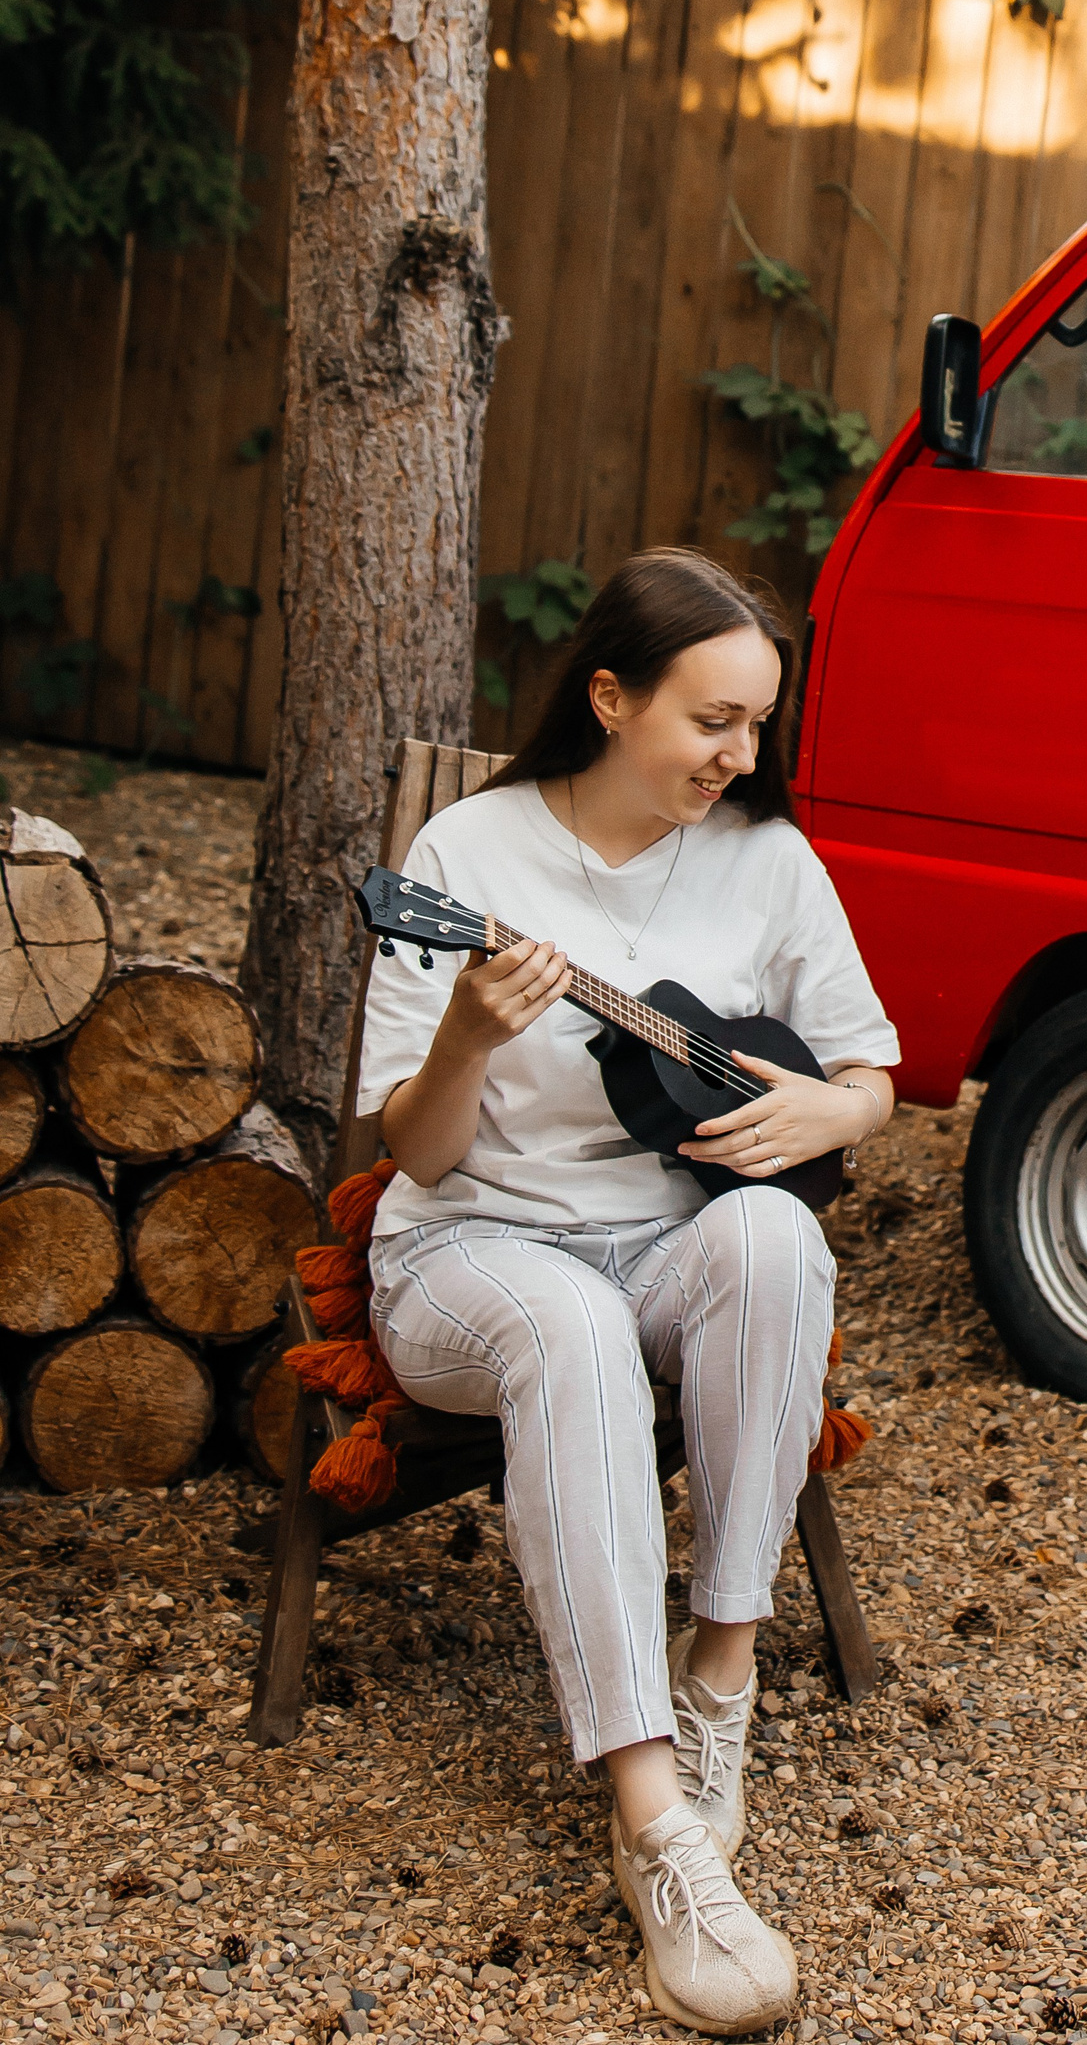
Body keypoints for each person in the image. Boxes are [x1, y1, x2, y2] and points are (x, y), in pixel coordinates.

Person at [356, 547, 900, 2036]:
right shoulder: (467, 857)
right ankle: (659, 1827)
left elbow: (874, 1076)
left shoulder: (765, 859)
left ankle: (721, 1670)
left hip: (666, 1238)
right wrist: (466, 1035)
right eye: (711, 722)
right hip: (471, 1253)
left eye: (756, 727)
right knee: (571, 1325)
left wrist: (821, 1118)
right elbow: (413, 1148)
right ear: (608, 696)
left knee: (776, 1241)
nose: (740, 758)